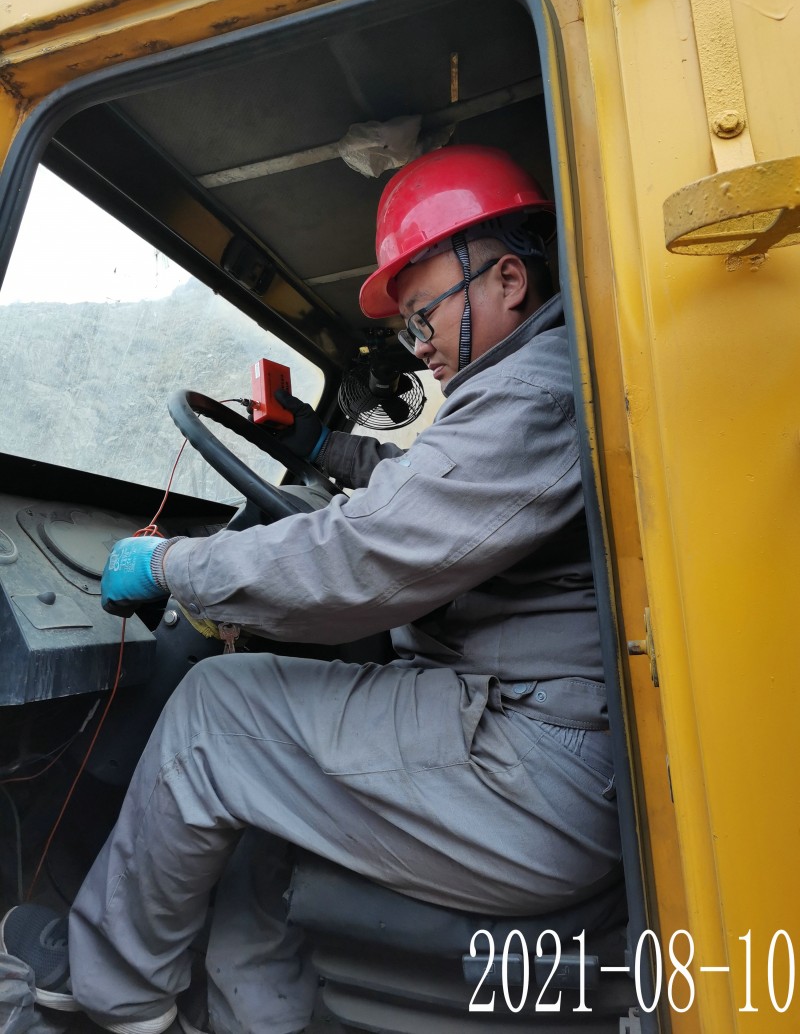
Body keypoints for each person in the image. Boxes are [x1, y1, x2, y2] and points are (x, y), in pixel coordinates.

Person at [0, 145, 621, 1034]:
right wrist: (318, 447)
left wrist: (173, 566)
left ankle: (116, 994)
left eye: (422, 316)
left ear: (509, 280)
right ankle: (259, 1014)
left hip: (532, 773)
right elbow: (420, 488)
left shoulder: (537, 393)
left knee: (214, 711)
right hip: (527, 739)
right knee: (268, 773)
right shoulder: (529, 386)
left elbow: (364, 551)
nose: (420, 347)